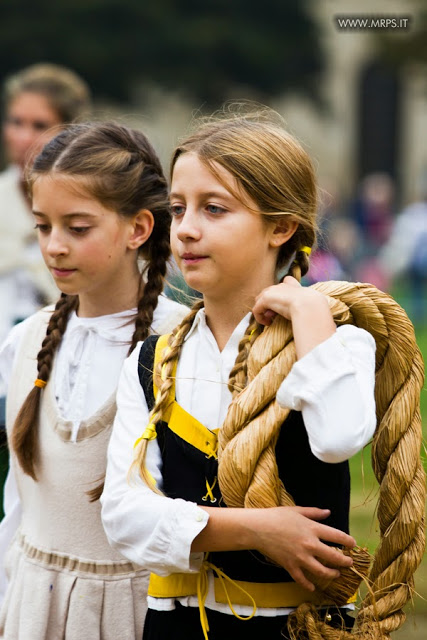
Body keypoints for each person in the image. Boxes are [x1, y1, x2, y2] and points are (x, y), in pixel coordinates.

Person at [101, 111, 377, 640]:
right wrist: (255, 529)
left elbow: (339, 437)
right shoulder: (153, 360)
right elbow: (125, 518)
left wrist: (311, 311)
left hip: (296, 628)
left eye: (214, 209)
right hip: (176, 627)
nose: (186, 229)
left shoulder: (337, 343)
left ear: (281, 226)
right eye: (178, 209)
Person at [0, 121, 188, 639]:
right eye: (43, 226)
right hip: (31, 610)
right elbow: (17, 506)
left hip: (138, 612)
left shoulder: (184, 345)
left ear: (138, 229)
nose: (54, 246)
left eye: (77, 228)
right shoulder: (25, 342)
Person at [0, 63, 91, 346]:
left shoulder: (95, 205)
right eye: (16, 122)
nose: (24, 137)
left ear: (70, 131)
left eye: (40, 126)